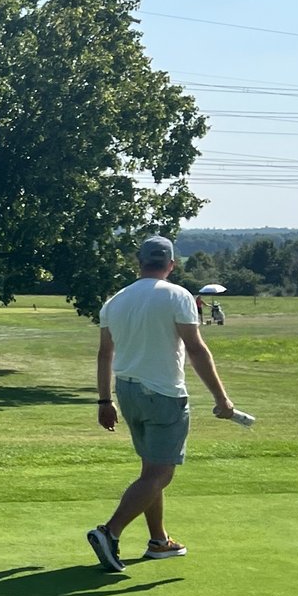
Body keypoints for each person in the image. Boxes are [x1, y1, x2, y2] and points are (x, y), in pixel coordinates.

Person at [86, 236, 236, 571]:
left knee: (149, 469)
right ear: (171, 264)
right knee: (160, 474)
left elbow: (104, 354)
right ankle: (109, 532)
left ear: (138, 262)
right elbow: (195, 349)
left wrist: (104, 400)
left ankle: (159, 541)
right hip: (164, 394)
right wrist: (221, 398)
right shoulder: (178, 295)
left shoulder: (115, 301)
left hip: (127, 393)